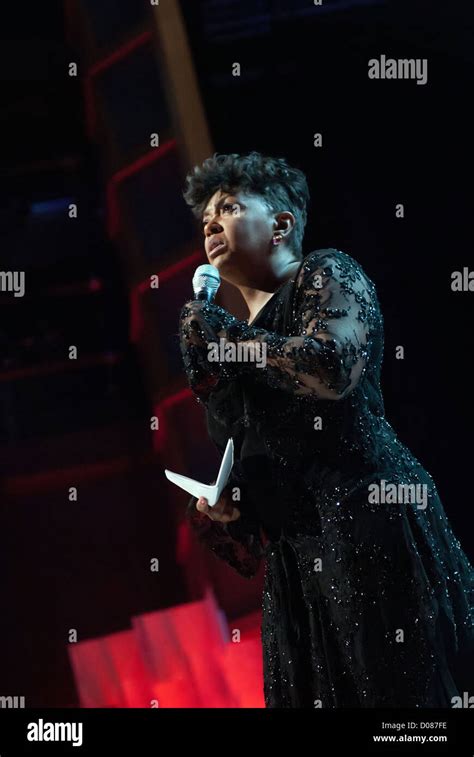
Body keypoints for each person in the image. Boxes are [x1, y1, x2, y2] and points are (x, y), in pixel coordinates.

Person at [178, 151, 474, 707]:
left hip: (367, 527)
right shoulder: (239, 340)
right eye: (204, 222)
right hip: (301, 572)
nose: (211, 226)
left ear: (282, 224)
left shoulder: (326, 272)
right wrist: (227, 507)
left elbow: (330, 367)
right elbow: (257, 476)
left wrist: (226, 339)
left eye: (229, 208)